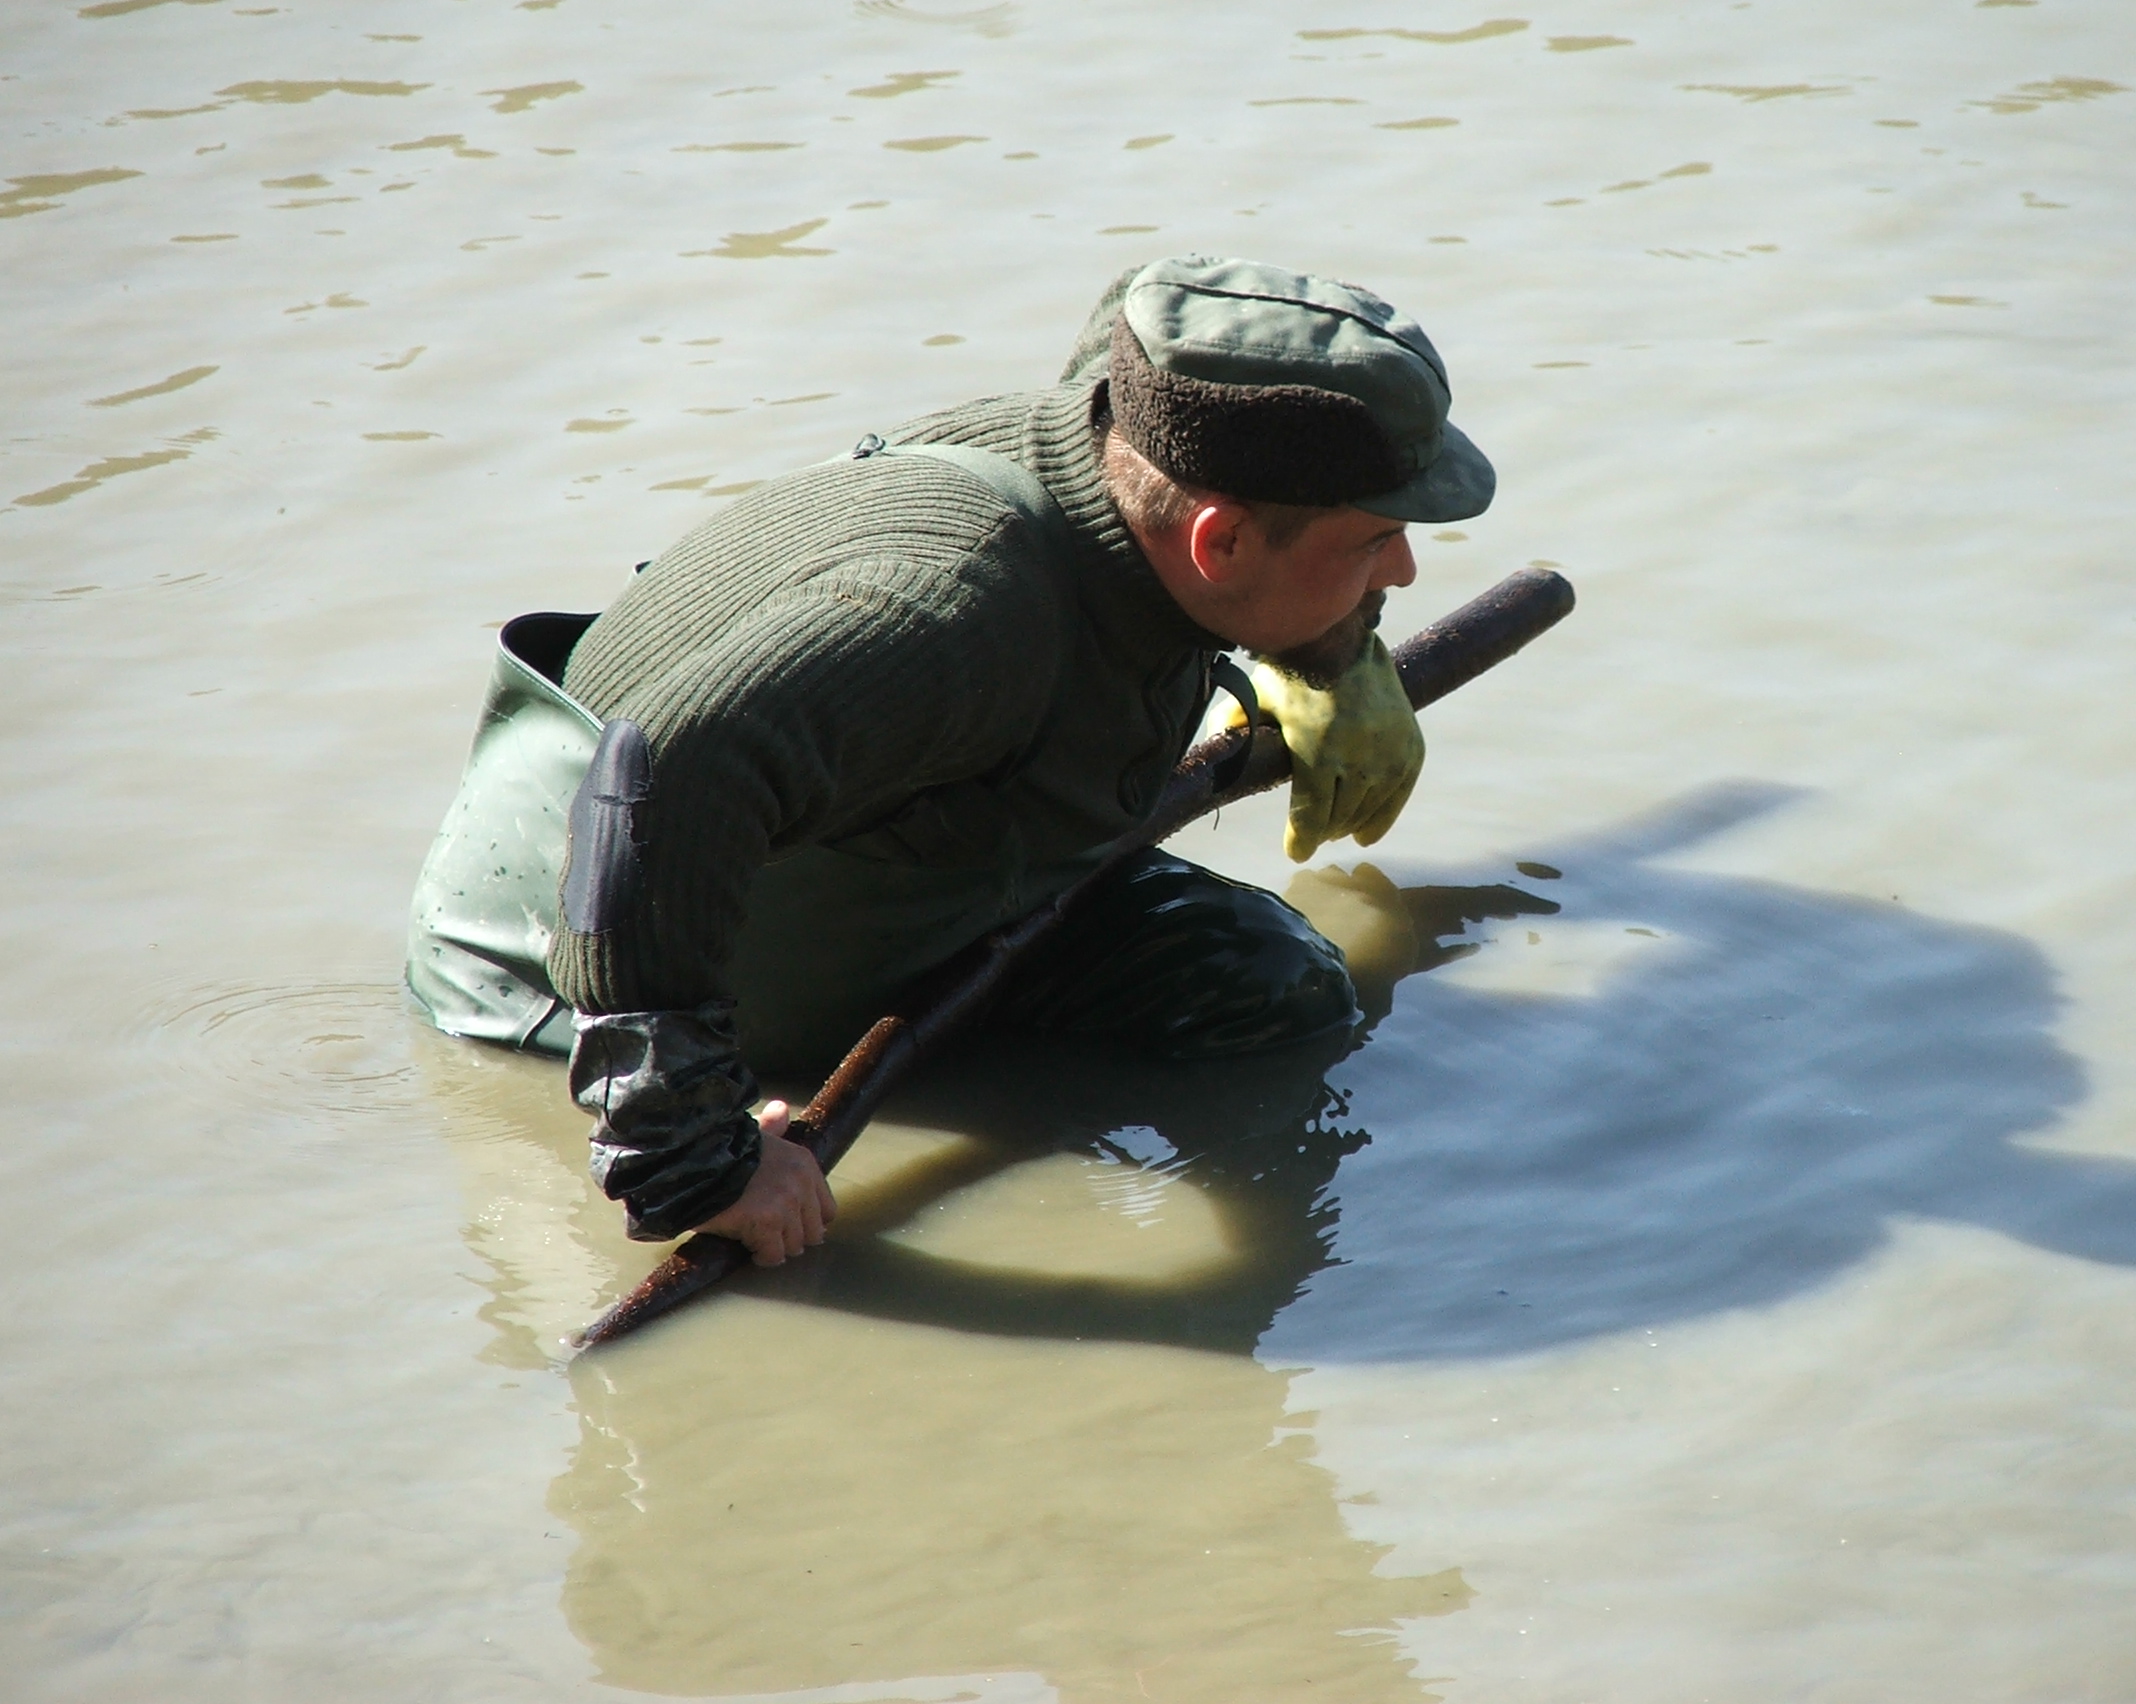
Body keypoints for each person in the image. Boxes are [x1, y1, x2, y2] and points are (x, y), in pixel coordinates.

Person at [405, 255, 1496, 1267]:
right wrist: (690, 1150)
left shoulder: (1127, 427)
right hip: (576, 952)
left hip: (876, 853)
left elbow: (1138, 312)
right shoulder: (956, 614)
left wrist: (1324, 649)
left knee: (1270, 988)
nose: (1404, 568)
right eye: (1374, 543)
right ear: (1219, 542)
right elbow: (666, 778)